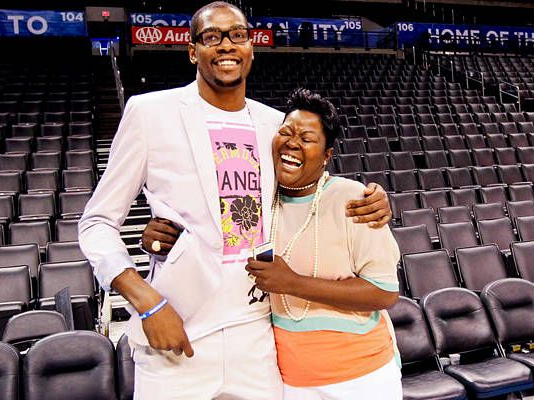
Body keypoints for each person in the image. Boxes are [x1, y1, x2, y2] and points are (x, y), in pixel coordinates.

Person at [79, 2, 392, 399]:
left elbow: (310, 185)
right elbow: (96, 224)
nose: (226, 45)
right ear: (193, 51)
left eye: (237, 35)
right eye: (212, 37)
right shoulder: (148, 113)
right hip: (178, 329)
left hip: (256, 332)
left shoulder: (273, 123)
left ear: (251, 47)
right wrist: (146, 302)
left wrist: (375, 198)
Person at [145, 89, 402, 399]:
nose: (293, 143)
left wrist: (293, 283)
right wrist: (160, 238)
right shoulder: (259, 198)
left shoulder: (353, 199)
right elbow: (205, 233)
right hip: (291, 379)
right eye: (286, 132)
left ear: (327, 155)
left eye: (307, 139)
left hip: (363, 376)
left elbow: (385, 292)